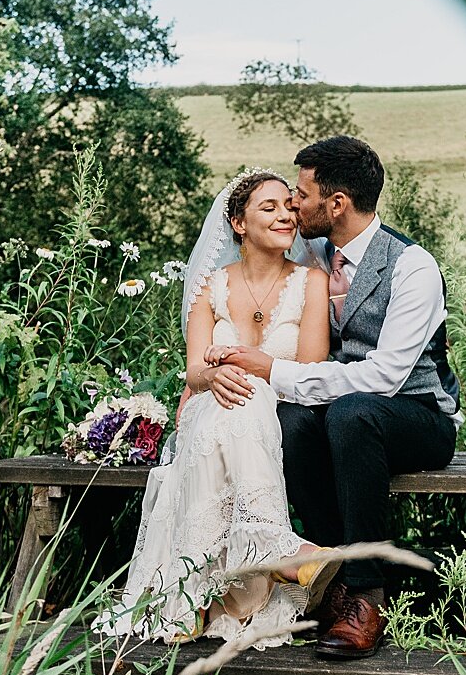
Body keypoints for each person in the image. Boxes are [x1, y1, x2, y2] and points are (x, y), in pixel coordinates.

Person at [219, 136, 461, 660]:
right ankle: (341, 578)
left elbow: (387, 377)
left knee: (352, 414)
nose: (292, 206)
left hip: (418, 416)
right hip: (346, 412)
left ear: (336, 204)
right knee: (294, 422)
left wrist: (275, 370)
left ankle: (367, 598)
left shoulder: (412, 266)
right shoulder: (312, 254)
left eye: (301, 196)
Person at [97, 169, 341, 649]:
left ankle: (191, 597)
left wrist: (246, 370)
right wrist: (213, 376)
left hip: (280, 402)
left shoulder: (312, 282)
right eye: (267, 208)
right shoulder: (211, 285)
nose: (285, 215)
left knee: (243, 408)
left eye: (289, 206)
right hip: (213, 403)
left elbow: (311, 365)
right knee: (223, 410)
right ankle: (278, 554)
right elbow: (194, 371)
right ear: (238, 223)